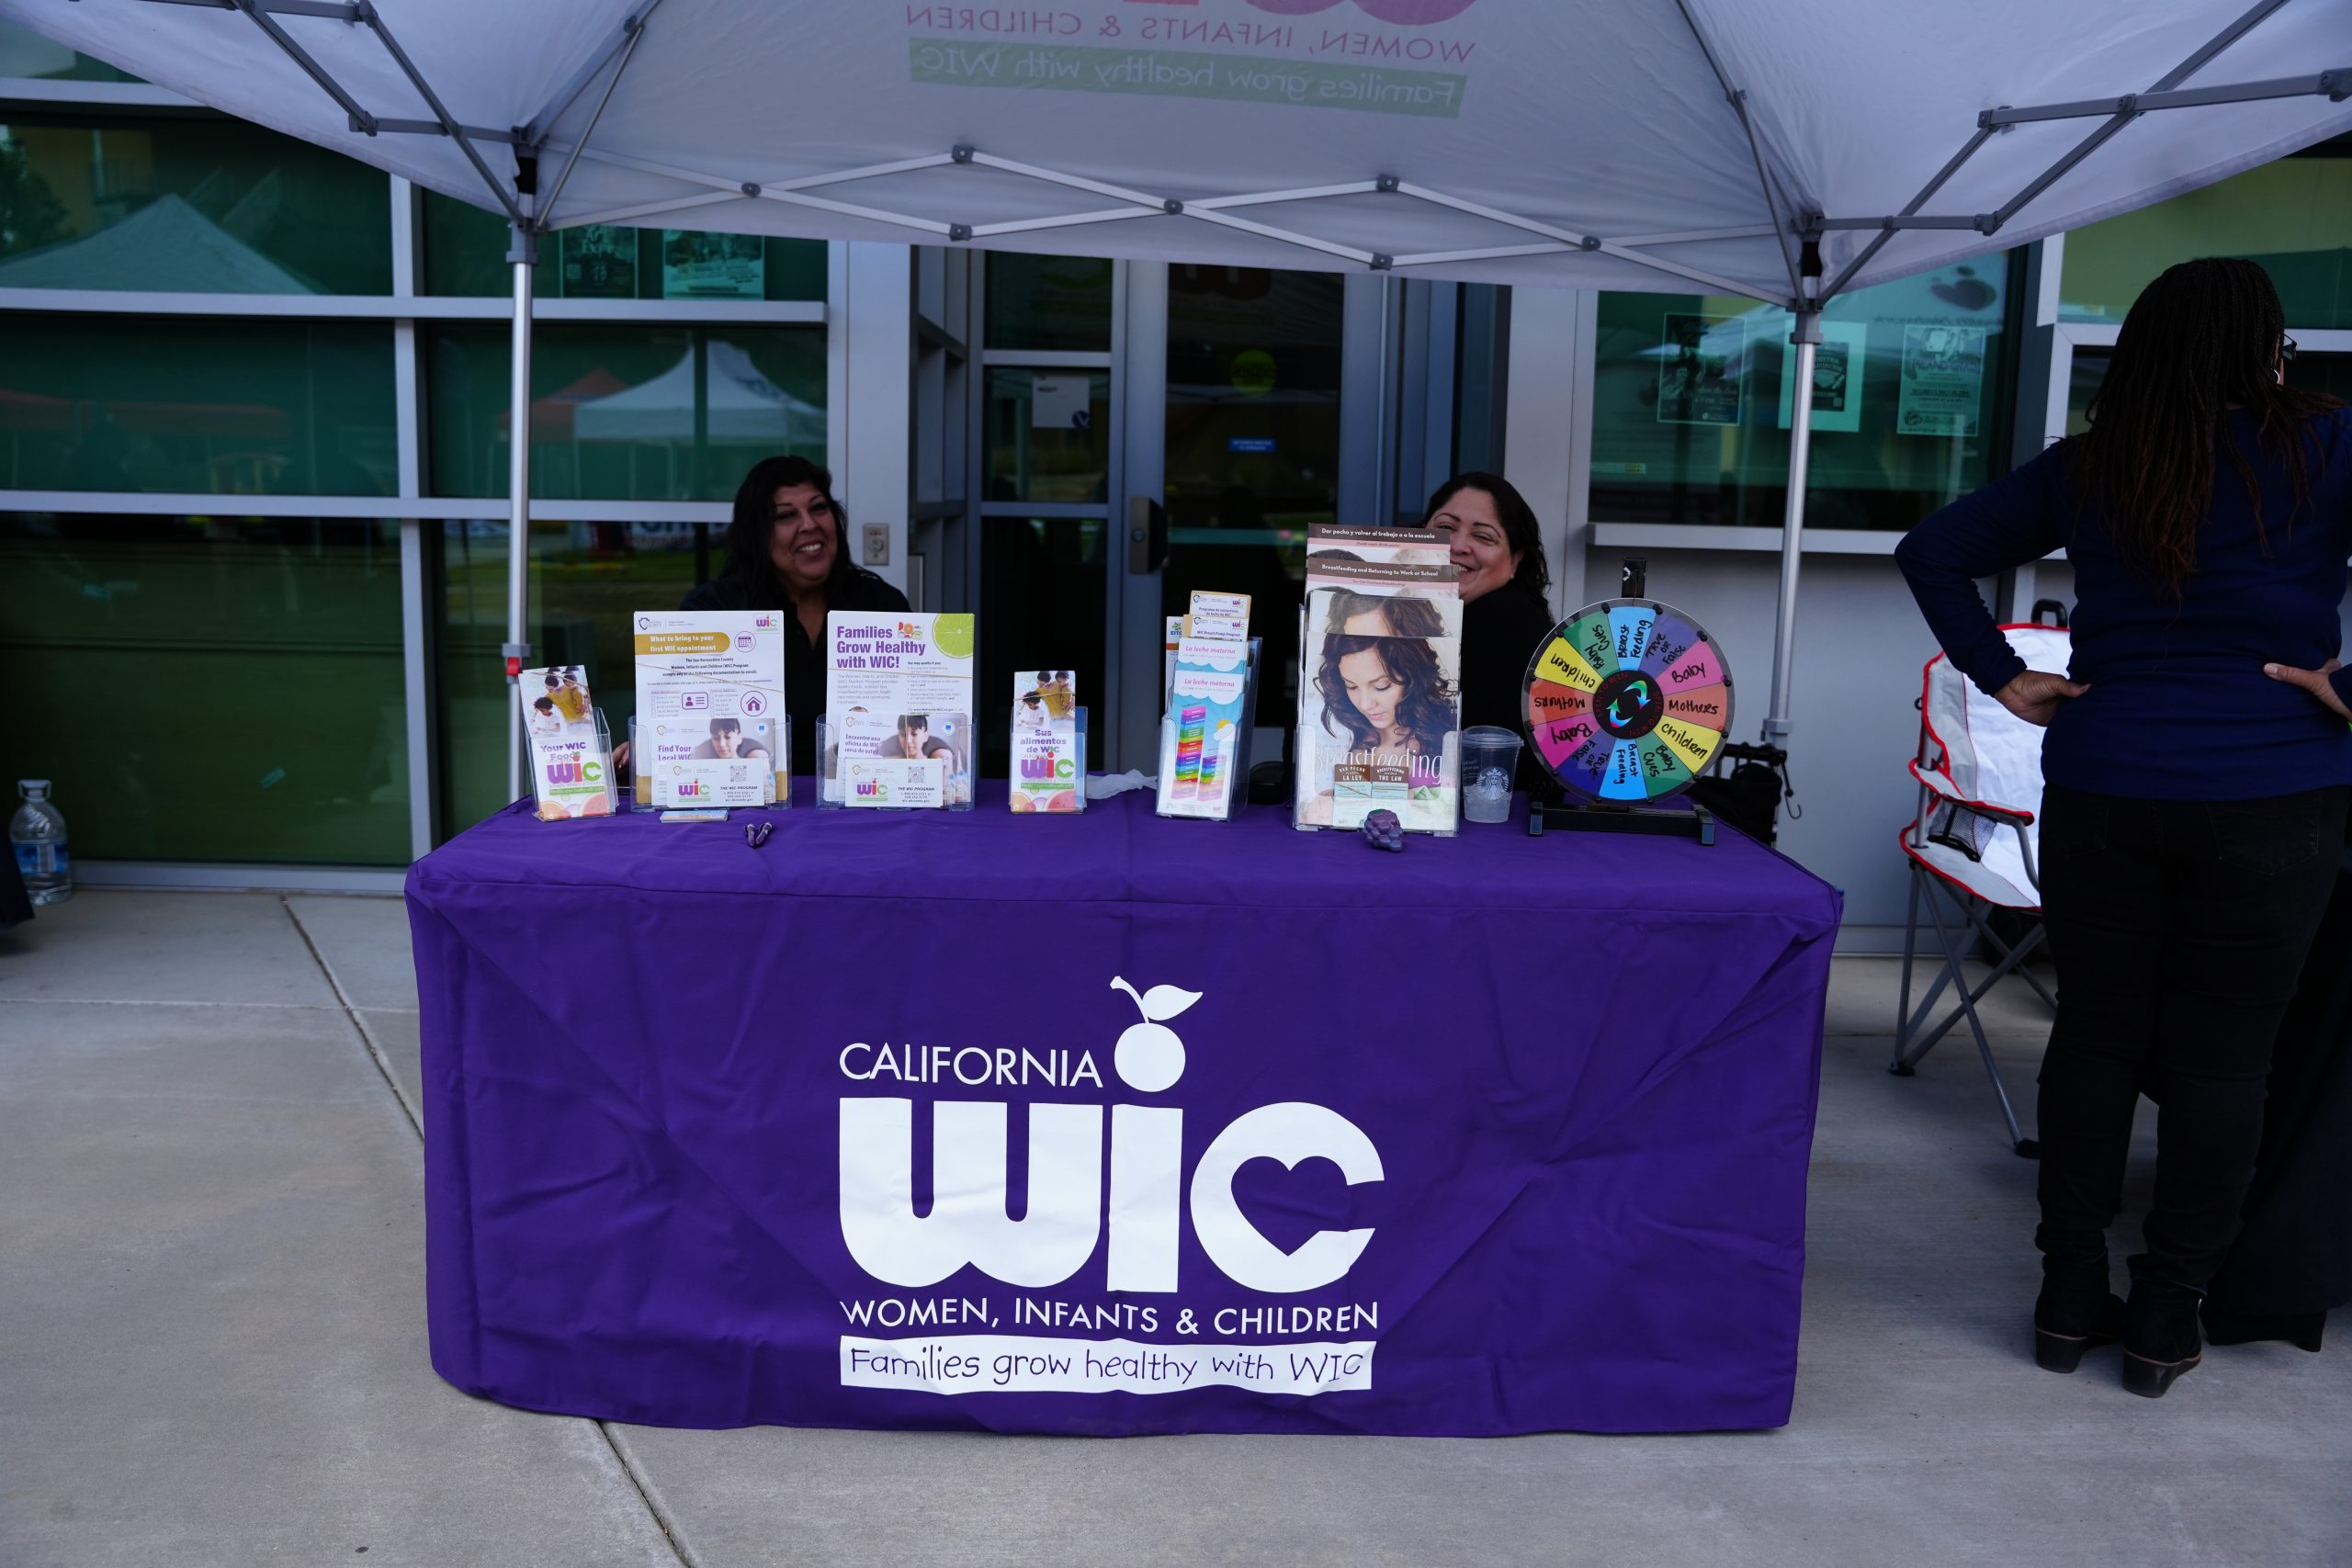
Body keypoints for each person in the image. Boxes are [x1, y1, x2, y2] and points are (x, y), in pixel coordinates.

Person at [1894, 257, 2351, 1398]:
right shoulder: (2327, 442)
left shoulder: (2097, 463)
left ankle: (2065, 1296)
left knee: (2094, 1036)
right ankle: (2165, 1315)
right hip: (2271, 789)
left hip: (2106, 782)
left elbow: (1932, 550)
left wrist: (2002, 676)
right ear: (2267, 347)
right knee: (2225, 1061)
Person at [678, 456, 909, 774]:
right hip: (752, 795)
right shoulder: (713, 609)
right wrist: (644, 752)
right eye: (786, 516)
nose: (810, 525)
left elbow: (914, 716)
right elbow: (674, 719)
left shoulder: (881, 605)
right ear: (757, 534)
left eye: (819, 508)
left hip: (864, 792)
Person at [1419, 472, 1555, 785]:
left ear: (1515, 561)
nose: (1457, 545)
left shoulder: (1509, 622)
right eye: (1445, 528)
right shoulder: (1397, 611)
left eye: (1483, 536)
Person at [690, 716, 769, 761]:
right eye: (716, 738)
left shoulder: (754, 761)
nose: (722, 744)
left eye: (728, 737)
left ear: (739, 738)